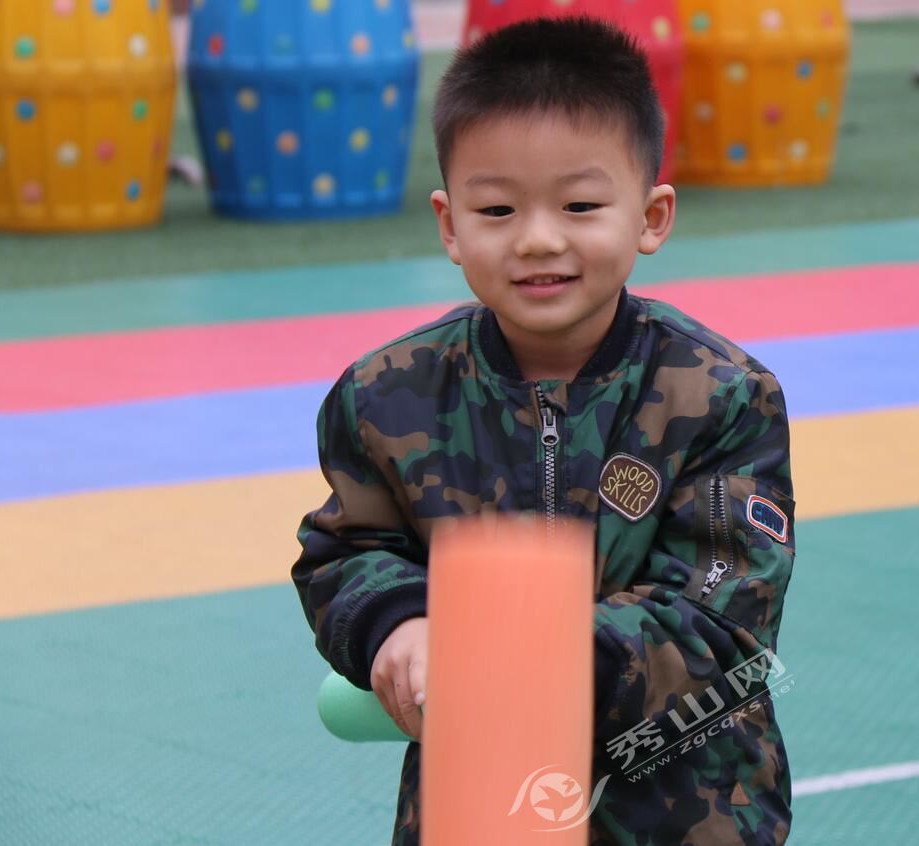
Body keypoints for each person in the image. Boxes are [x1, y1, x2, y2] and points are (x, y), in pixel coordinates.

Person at [292, 16, 796, 845]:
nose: (537, 238)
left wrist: (500, 654)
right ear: (450, 225)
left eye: (580, 205)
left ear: (651, 216)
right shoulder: (386, 396)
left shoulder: (720, 396)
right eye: (496, 208)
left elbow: (717, 623)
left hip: (685, 812)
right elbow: (345, 552)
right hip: (478, 804)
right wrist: (399, 627)